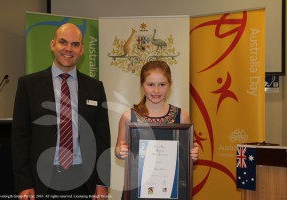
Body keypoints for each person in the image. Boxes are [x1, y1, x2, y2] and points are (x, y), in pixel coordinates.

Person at [11, 23, 111, 200]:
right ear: (53, 44)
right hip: (41, 179)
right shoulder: (28, 85)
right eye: (63, 42)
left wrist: (102, 182)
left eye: (75, 44)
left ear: (82, 50)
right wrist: (23, 183)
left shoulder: (95, 88)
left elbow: (103, 138)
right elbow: (19, 137)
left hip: (84, 180)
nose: (68, 49)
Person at [115, 60, 199, 198]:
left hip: (172, 188)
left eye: (162, 84)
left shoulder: (182, 117)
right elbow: (118, 149)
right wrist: (121, 151)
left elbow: (188, 153)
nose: (156, 90)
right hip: (137, 187)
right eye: (150, 84)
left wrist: (193, 154)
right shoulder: (128, 117)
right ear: (142, 85)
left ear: (169, 85)